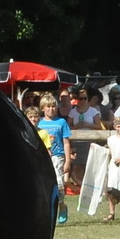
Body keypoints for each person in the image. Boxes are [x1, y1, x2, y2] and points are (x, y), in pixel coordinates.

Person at [38, 95, 72, 224]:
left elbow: (66, 142)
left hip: (58, 156)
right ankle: (48, 211)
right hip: (43, 157)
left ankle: (62, 205)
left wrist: (67, 160)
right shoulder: (39, 123)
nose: (51, 109)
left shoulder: (61, 122)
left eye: (53, 107)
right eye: (48, 107)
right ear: (43, 108)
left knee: (59, 183)